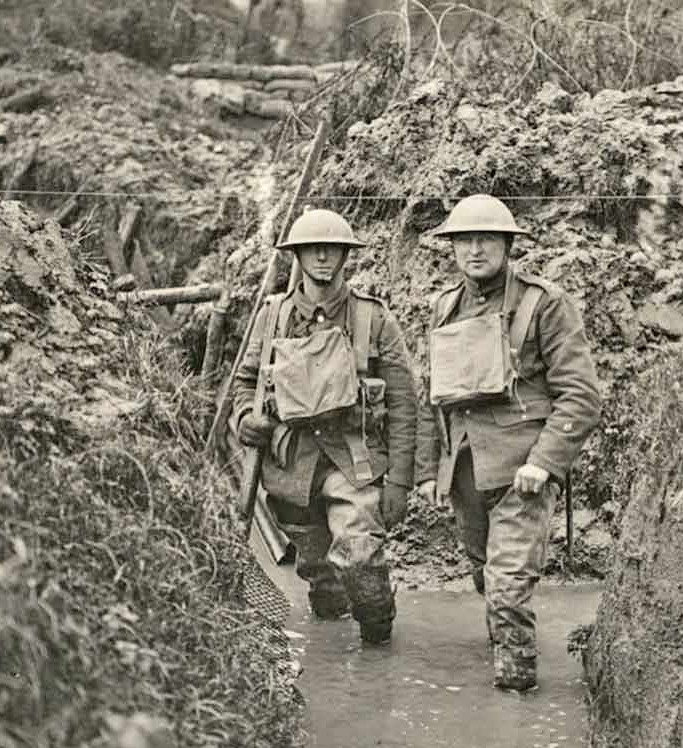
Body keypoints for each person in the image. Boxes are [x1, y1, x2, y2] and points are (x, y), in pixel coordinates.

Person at [414, 194, 602, 691]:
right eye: (464, 241)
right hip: (467, 472)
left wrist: (545, 461)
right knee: (484, 572)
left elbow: (581, 396)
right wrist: (435, 467)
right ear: (452, 247)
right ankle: (503, 636)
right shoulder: (444, 306)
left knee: (508, 584)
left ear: (507, 244)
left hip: (523, 473)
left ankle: (517, 690)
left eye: (486, 239)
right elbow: (437, 396)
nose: (475, 250)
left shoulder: (545, 304)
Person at [230, 208, 417, 646]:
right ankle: (332, 643)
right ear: (296, 254)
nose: (321, 257)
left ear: (345, 255)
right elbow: (244, 382)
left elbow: (405, 404)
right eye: (312, 249)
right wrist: (246, 419)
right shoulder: (272, 316)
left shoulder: (373, 319)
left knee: (359, 556)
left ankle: (378, 636)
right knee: (321, 579)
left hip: (351, 461)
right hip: (290, 466)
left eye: (331, 249)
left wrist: (400, 483)